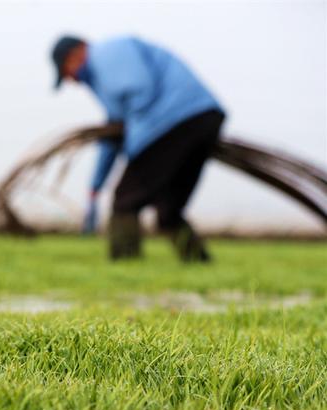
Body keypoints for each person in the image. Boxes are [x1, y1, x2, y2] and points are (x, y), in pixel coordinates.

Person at [52, 35, 225, 262]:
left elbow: (140, 91)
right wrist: (96, 185)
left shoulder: (108, 52)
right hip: (202, 119)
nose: (70, 79)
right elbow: (114, 132)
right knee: (168, 209)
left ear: (77, 53)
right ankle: (199, 265)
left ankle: (126, 267)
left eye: (66, 70)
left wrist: (134, 146)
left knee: (125, 200)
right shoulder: (104, 77)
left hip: (173, 121)